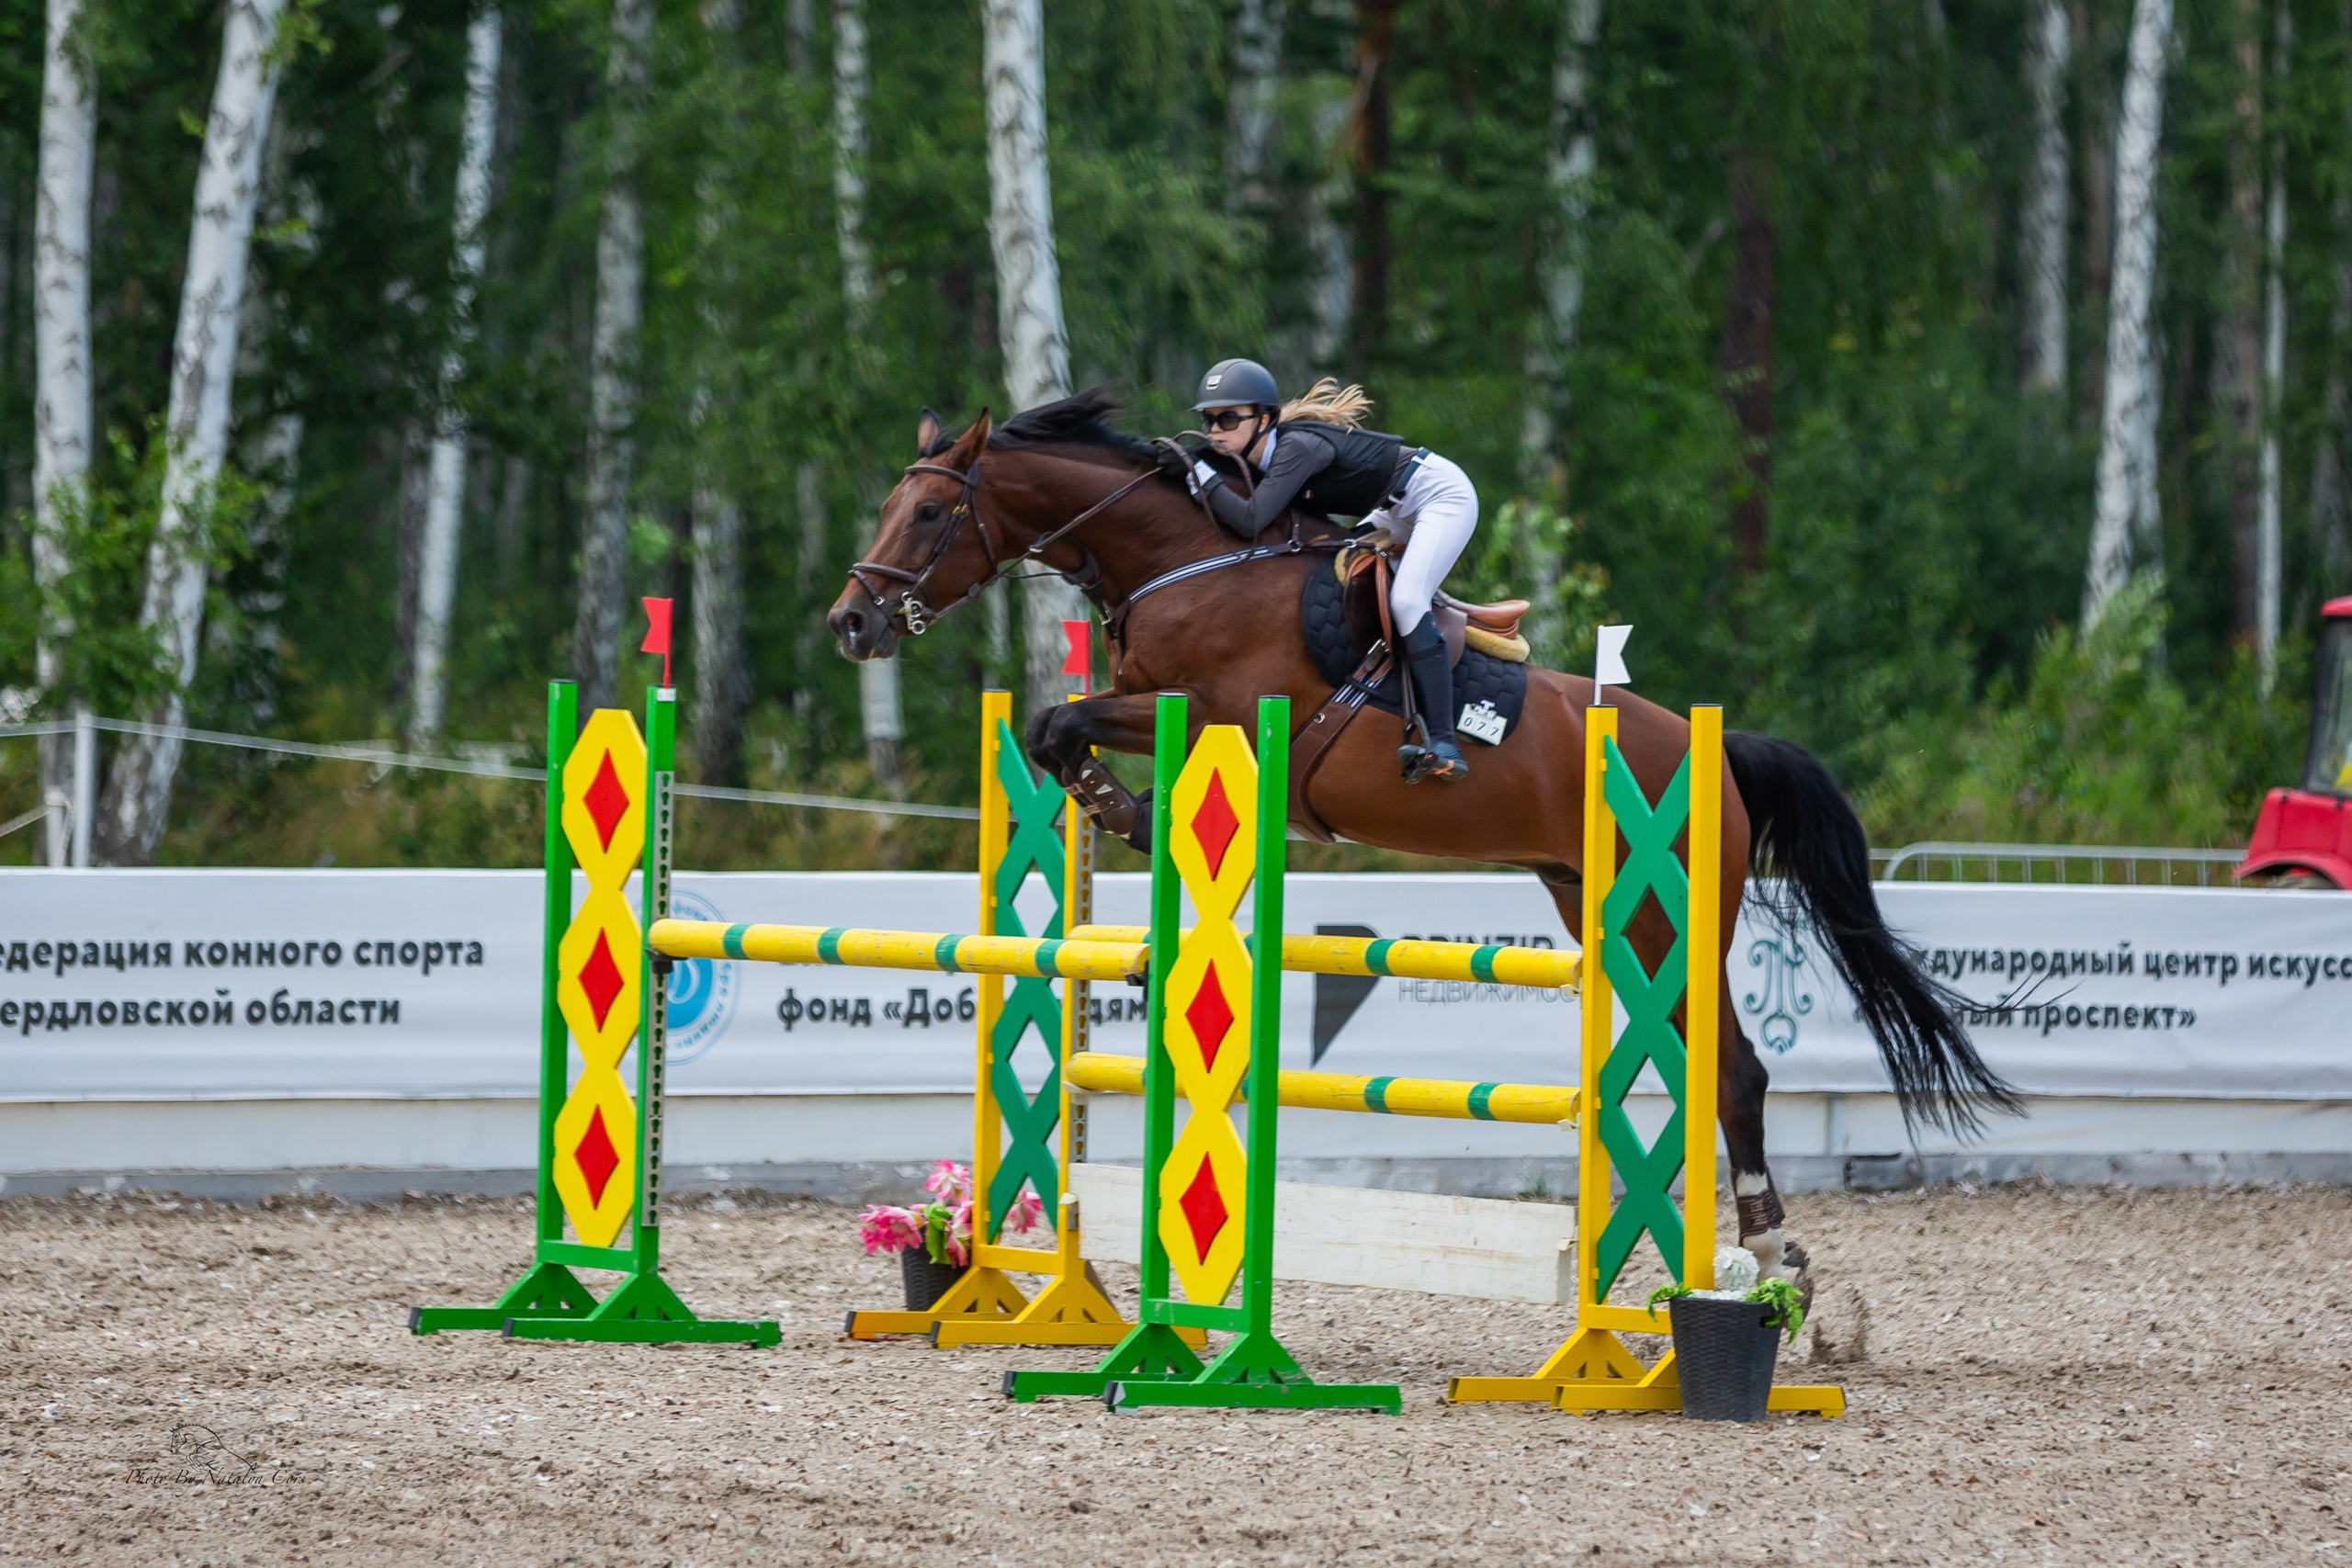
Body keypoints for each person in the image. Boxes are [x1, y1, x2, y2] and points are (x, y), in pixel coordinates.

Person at [1175, 357, 1479, 783]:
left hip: (1439, 495)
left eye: (1227, 418)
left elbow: (1250, 520)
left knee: (1408, 601)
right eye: (1208, 421)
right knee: (1333, 572)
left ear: (1264, 419)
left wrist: (1202, 478)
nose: (1214, 431)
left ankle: (1445, 744)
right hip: (1391, 510)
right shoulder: (1260, 455)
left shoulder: (1297, 448)